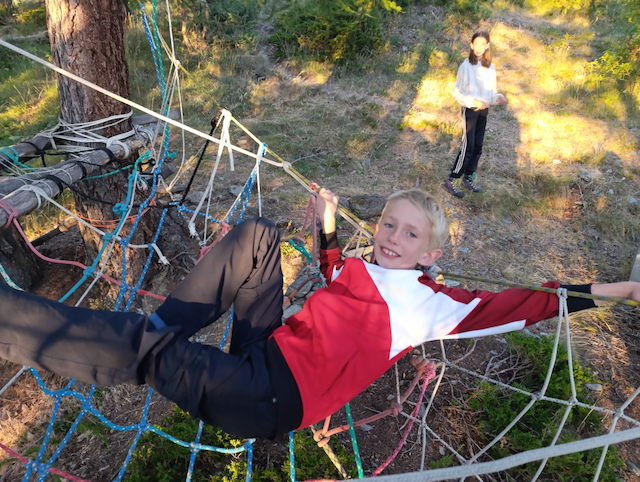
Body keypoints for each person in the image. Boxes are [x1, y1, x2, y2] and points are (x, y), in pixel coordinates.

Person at [1, 188, 639, 440]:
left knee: (144, 347)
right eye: (388, 224)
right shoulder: (367, 267)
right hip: (266, 350)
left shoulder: (433, 306)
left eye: (410, 234)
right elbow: (337, 272)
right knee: (257, 237)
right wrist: (328, 225)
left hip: (269, 398)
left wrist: (619, 290)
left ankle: (22, 324)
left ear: (433, 253)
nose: (392, 238)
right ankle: (163, 334)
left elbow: (531, 303)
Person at [445, 30, 508, 198]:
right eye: (476, 44)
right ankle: (452, 178)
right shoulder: (466, 66)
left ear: (487, 46)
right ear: (471, 45)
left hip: (483, 111)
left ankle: (468, 178)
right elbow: (457, 93)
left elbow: (490, 94)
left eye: (483, 44)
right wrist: (473, 101)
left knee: (478, 146)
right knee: (468, 146)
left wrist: (497, 98)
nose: (479, 47)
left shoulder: (490, 67)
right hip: (470, 110)